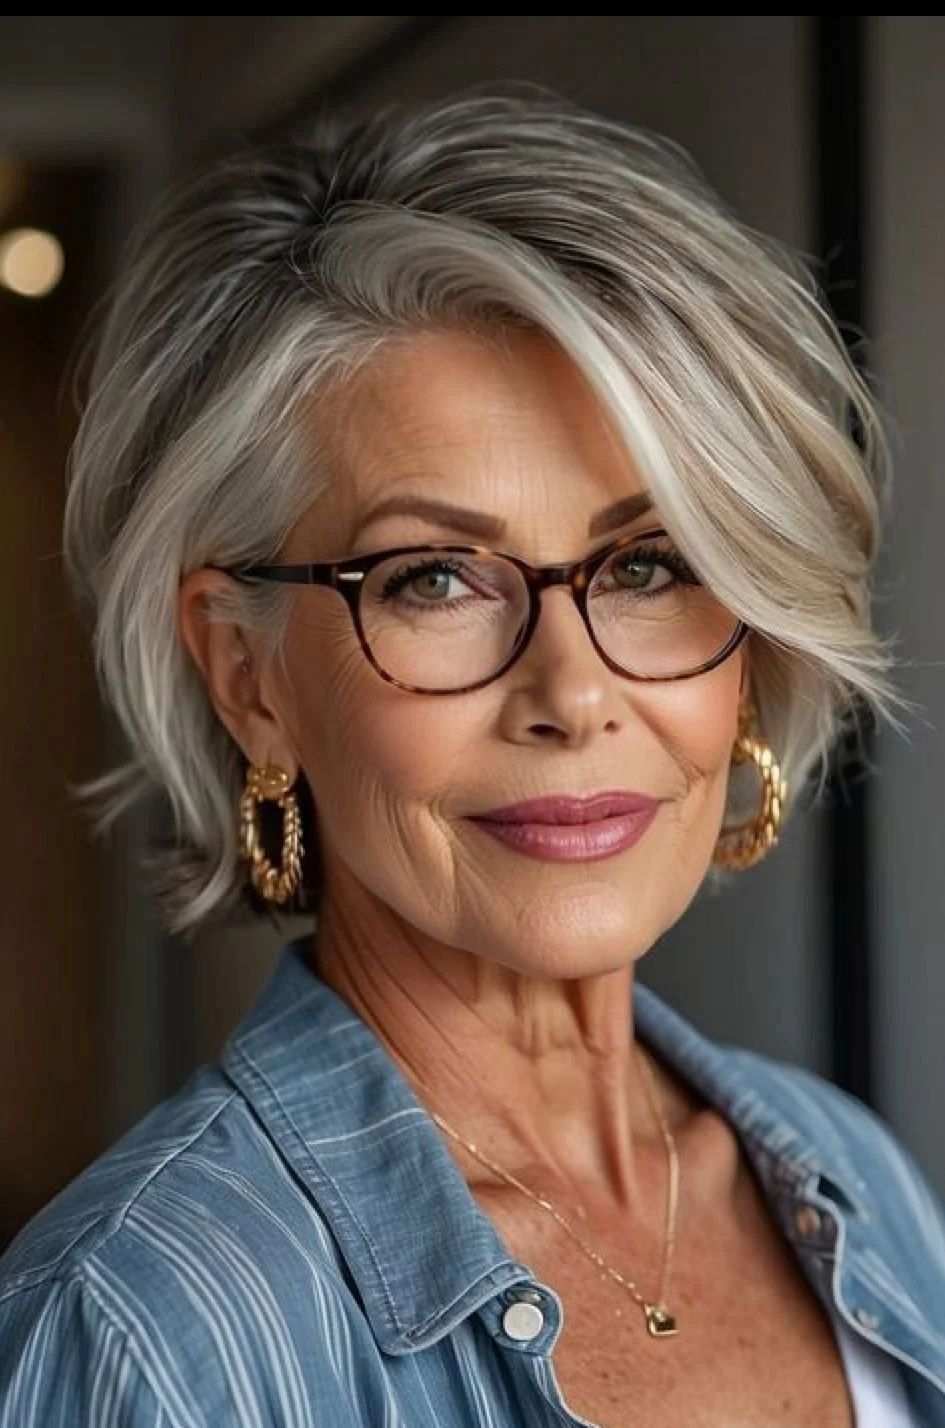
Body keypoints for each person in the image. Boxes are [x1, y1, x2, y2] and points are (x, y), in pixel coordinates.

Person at [1, 82, 943, 1427]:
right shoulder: (141, 1340)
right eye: (434, 578)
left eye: (652, 563)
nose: (572, 692)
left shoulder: (861, 1185)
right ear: (248, 674)